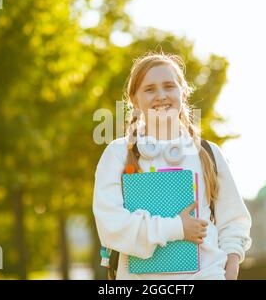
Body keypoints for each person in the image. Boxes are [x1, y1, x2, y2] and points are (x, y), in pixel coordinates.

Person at [93, 52, 252, 280]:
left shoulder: (209, 154)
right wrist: (178, 228)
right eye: (149, 89)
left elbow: (234, 222)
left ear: (183, 92)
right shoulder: (117, 154)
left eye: (169, 86)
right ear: (135, 100)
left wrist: (231, 270)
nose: (161, 95)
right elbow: (111, 225)